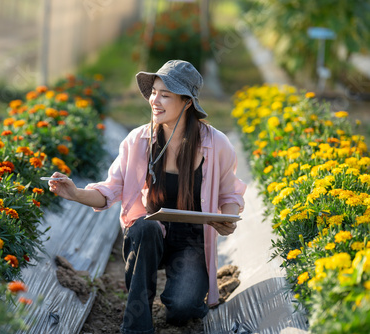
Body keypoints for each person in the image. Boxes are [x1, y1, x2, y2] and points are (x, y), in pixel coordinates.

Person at [48, 60, 246, 334]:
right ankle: (136, 325)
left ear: (187, 102)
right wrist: (75, 193)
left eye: (165, 94)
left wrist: (228, 217)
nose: (155, 100)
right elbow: (109, 190)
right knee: (145, 226)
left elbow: (230, 192)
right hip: (150, 235)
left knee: (183, 309)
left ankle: (186, 293)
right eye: (154, 92)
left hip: (191, 239)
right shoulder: (138, 141)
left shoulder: (215, 144)